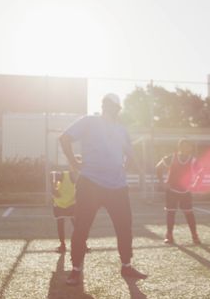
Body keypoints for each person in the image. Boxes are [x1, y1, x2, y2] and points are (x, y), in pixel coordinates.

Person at [59, 93, 147, 286]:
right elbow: (64, 138)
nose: (111, 109)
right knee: (81, 227)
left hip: (118, 186)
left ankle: (126, 265)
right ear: (104, 106)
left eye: (114, 106)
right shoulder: (89, 121)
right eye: (108, 105)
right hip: (90, 183)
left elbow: (130, 154)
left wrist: (126, 170)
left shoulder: (121, 130)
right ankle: (76, 269)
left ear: (118, 109)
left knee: (124, 226)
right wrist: (73, 162)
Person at [155, 138, 203, 245]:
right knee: (171, 213)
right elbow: (158, 167)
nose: (186, 148)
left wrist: (196, 184)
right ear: (179, 147)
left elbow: (201, 173)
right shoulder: (172, 158)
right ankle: (169, 236)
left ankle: (195, 236)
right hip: (171, 190)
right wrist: (162, 182)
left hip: (185, 191)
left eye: (188, 146)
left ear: (191, 148)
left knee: (189, 213)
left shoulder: (193, 160)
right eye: (183, 145)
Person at [50, 161, 89, 254]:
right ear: (71, 166)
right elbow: (52, 174)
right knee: (60, 224)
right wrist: (53, 187)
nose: (76, 167)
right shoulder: (64, 175)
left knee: (77, 225)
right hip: (60, 203)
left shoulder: (82, 177)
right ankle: (62, 245)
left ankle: (82, 245)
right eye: (74, 164)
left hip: (72, 204)